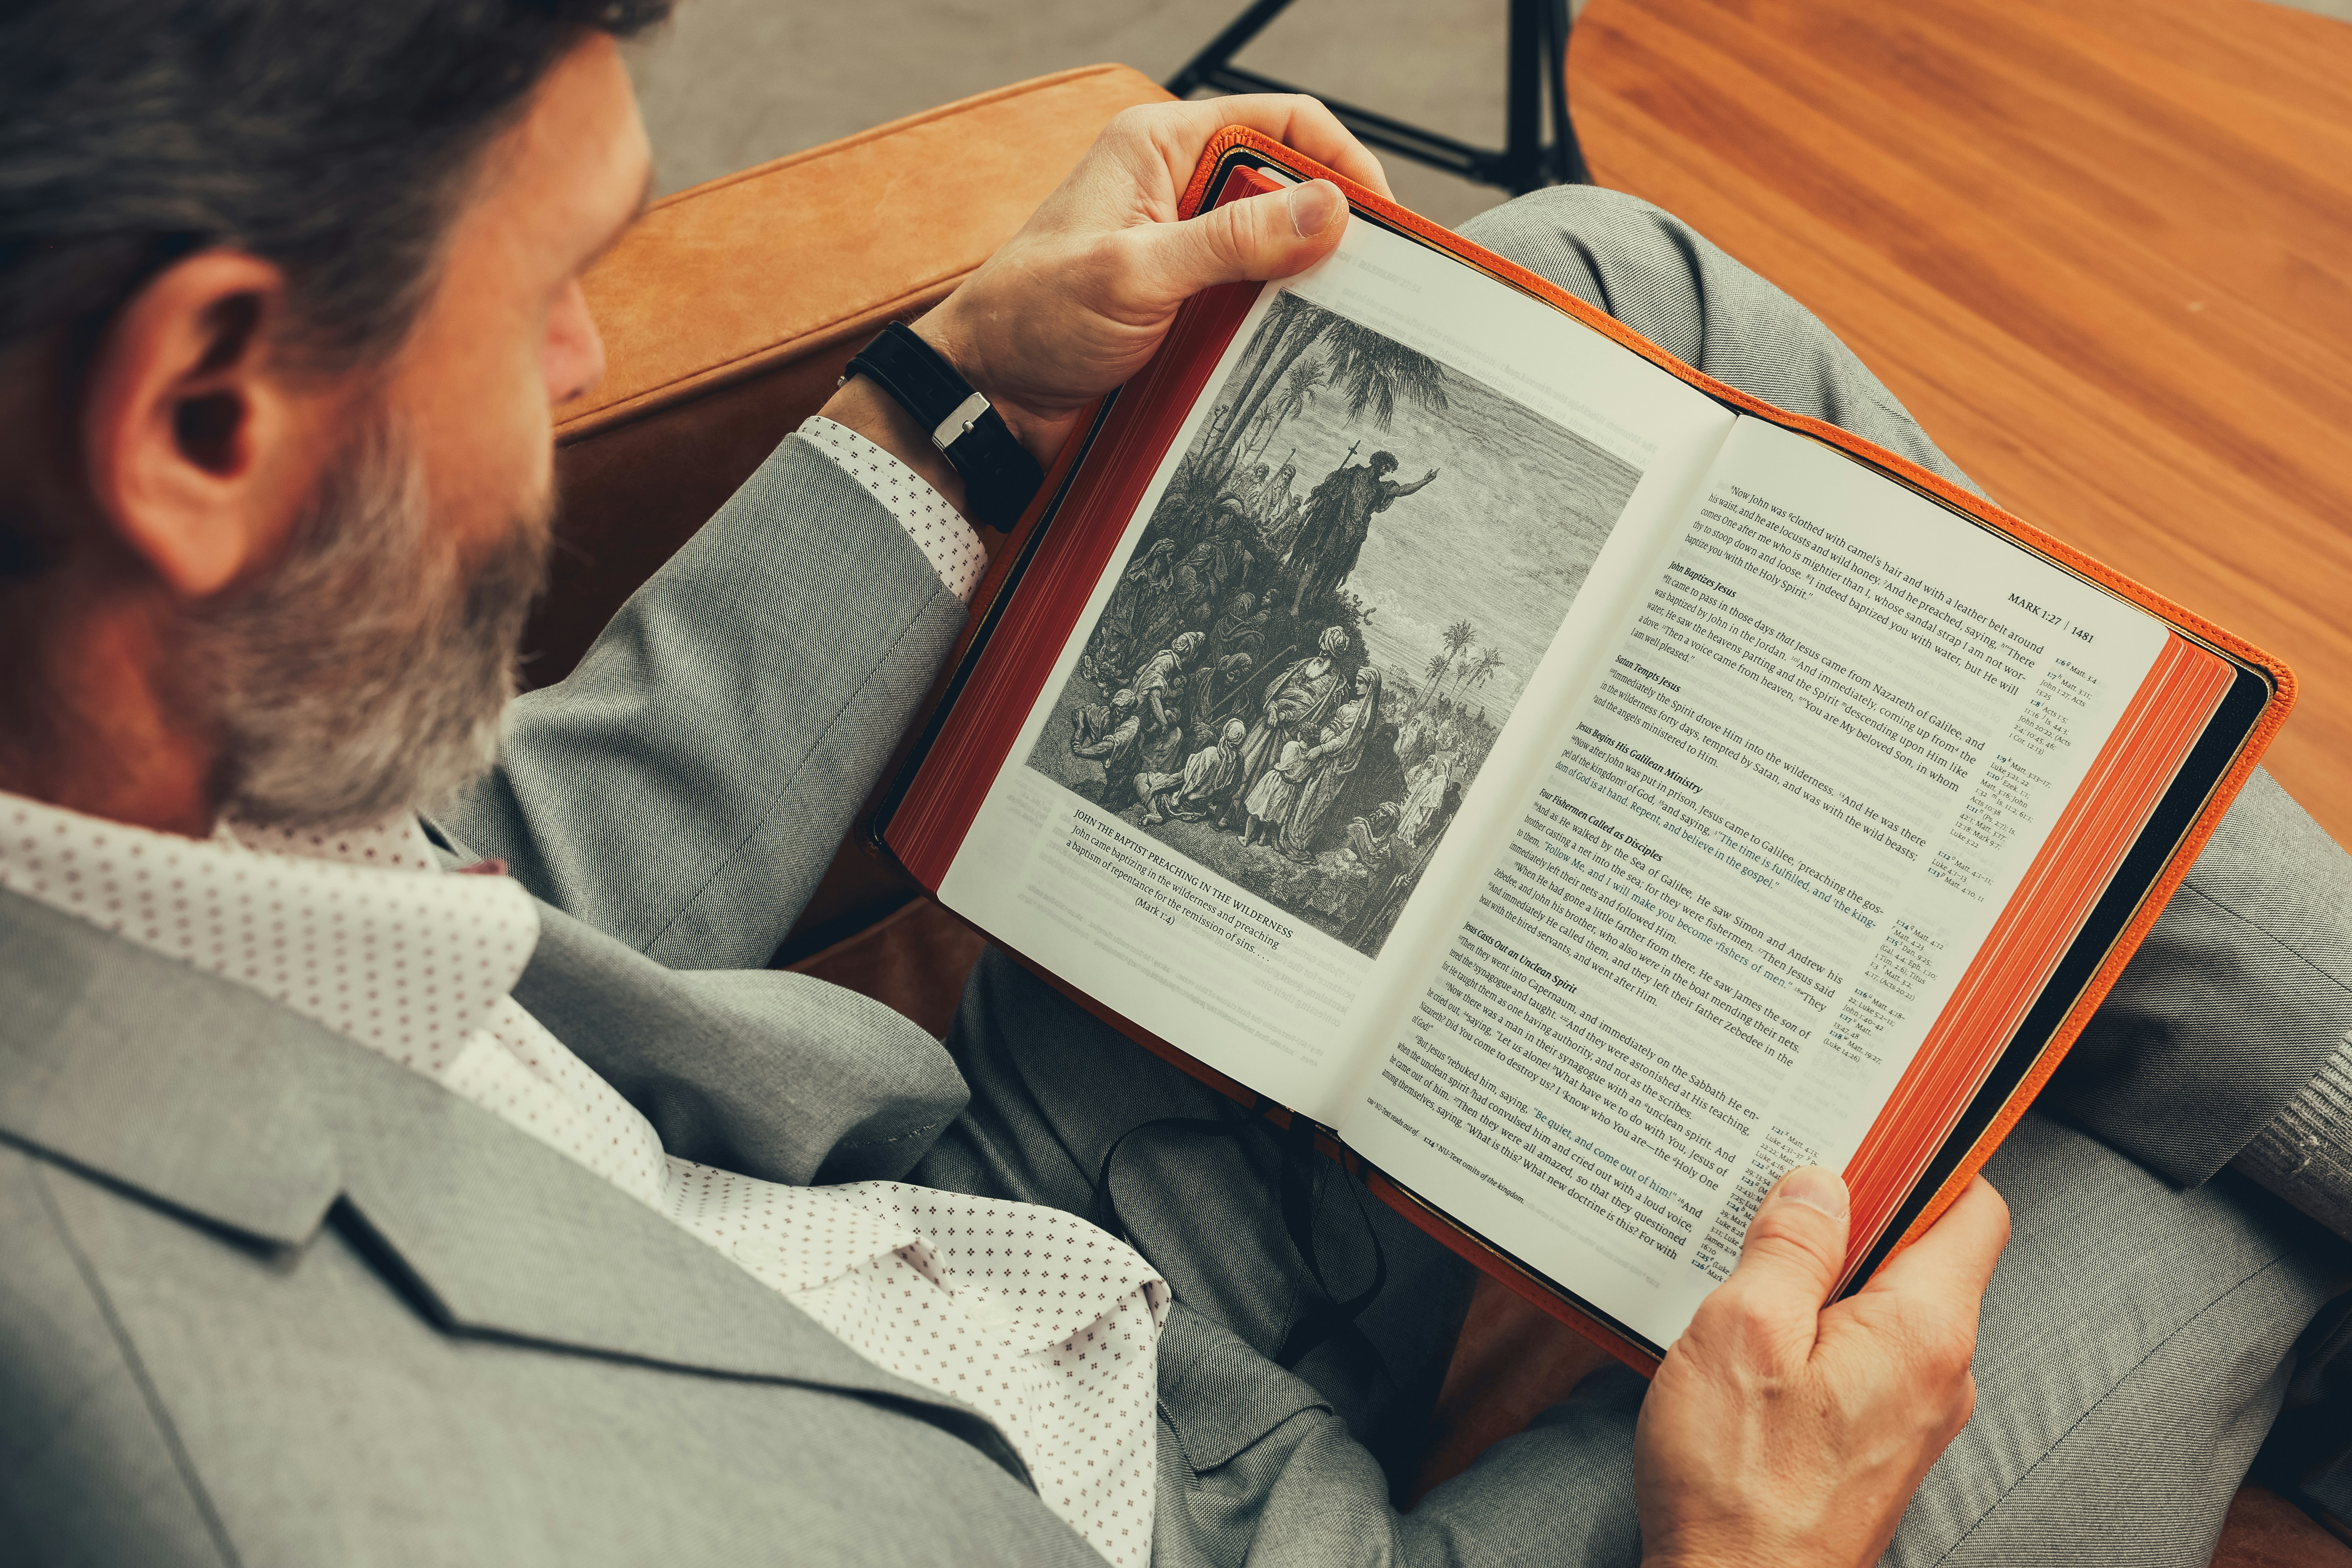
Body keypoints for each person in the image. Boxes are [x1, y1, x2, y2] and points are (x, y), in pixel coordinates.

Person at [0, 5, 2344, 1563]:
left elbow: (501, 905)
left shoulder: (96, 776)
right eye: (543, 295)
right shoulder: (238, 1487)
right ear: (204, 413)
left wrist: (959, 400)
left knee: (1606, 298)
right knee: (2173, 1205)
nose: (592, 356)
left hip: (977, 1199)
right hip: (1170, 1515)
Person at [1284, 449, 1439, 616]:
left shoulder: (1380, 488)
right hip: (1334, 529)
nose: (1387, 472)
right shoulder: (1354, 474)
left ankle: (1308, 608)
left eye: (1390, 470)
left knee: (1329, 573)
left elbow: (1402, 491)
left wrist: (1424, 481)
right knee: (1315, 565)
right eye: (1386, 467)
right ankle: (1295, 605)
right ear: (1377, 462)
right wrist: (1312, 509)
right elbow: (1331, 489)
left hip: (1351, 538)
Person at [1226, 624, 1353, 826]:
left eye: (1327, 652)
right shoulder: (1305, 664)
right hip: (1269, 722)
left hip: (1290, 735)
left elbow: (1317, 717)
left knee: (1268, 776)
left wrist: (1287, 715)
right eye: (1322, 648)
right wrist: (1273, 709)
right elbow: (1277, 686)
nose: (1322, 654)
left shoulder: (1336, 685)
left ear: (1335, 655)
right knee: (1245, 762)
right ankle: (1228, 808)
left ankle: (1243, 820)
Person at [1278, 665, 1385, 863]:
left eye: (1362, 683)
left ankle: (1297, 845)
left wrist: (1321, 749)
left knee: (1313, 802)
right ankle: (1287, 839)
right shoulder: (1354, 705)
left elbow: (1344, 742)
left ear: (1371, 687)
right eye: (1358, 680)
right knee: (1304, 796)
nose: (1357, 685)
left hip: (1334, 766)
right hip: (1324, 757)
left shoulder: (1364, 716)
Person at [1138, 718, 1249, 826]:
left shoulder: (1210, 753)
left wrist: (1153, 790)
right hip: (1198, 812)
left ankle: (1155, 814)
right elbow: (1228, 793)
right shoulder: (1237, 761)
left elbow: (1179, 779)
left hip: (1177, 806)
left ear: (1225, 731)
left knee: (1140, 779)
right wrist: (1215, 821)